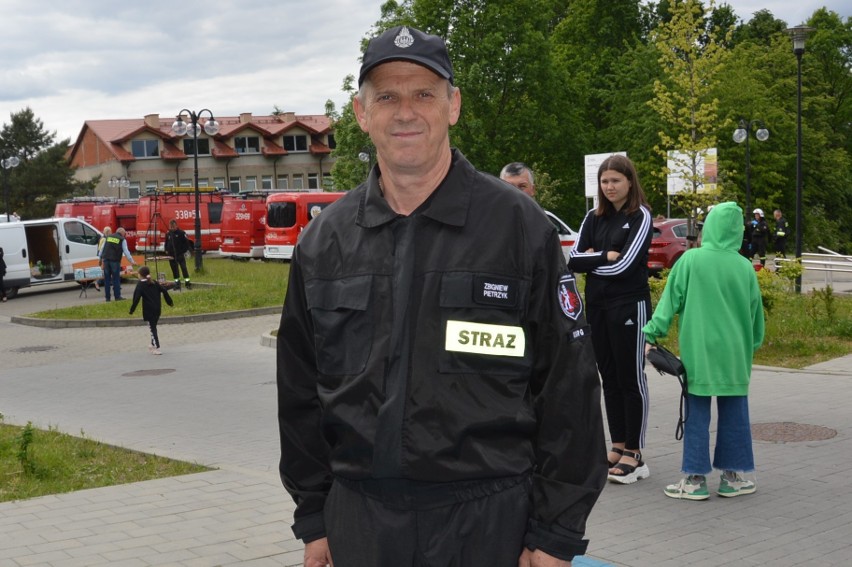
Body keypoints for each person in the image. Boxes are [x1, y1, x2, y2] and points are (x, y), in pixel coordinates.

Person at [277, 25, 606, 567]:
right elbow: (298, 392)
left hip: (489, 522)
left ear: (452, 105)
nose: (405, 111)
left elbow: (567, 388)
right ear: (362, 115)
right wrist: (314, 519)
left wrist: (555, 533)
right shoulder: (324, 242)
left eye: (423, 94)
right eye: (387, 96)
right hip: (360, 523)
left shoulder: (518, 229)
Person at [642, 202, 765, 500]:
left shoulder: (690, 260)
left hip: (699, 352)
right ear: (737, 231)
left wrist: (651, 334)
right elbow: (756, 319)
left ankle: (695, 480)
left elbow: (670, 302)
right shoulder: (744, 267)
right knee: (734, 414)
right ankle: (732, 478)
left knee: (696, 413)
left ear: (709, 227)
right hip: (735, 354)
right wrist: (750, 345)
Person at [567, 154, 653, 485]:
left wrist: (594, 261)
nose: (609, 186)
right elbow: (574, 260)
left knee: (631, 378)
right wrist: (604, 255)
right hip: (599, 308)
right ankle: (617, 445)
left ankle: (636, 452)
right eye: (604, 181)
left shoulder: (640, 216)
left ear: (629, 182)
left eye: (615, 180)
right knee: (609, 378)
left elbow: (625, 267)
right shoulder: (593, 216)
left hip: (630, 307)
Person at [129, 265, 173, 355]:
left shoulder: (140, 285)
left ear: (140, 275)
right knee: (153, 327)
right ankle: (152, 345)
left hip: (149, 310)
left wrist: (132, 310)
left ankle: (156, 347)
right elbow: (164, 290)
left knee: (152, 329)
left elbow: (136, 298)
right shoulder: (154, 282)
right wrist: (169, 302)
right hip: (157, 309)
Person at [98, 226, 135, 301]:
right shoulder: (122, 239)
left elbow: (102, 249)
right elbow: (126, 251)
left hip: (106, 260)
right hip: (115, 261)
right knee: (116, 279)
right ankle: (117, 297)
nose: (124, 236)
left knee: (107, 280)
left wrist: (100, 258)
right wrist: (131, 261)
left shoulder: (108, 237)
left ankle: (107, 298)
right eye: (124, 234)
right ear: (123, 233)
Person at [164, 219, 191, 289]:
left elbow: (186, 244)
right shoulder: (168, 233)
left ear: (176, 226)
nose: (172, 228)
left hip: (179, 254)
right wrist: (166, 249)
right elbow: (166, 243)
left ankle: (187, 282)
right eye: (171, 227)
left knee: (183, 268)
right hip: (171, 255)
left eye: (173, 226)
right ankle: (177, 283)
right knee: (174, 270)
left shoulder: (181, 233)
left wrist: (182, 251)